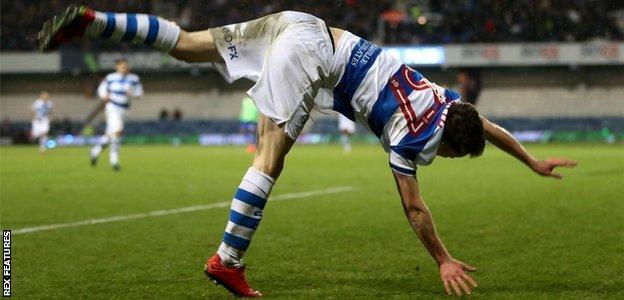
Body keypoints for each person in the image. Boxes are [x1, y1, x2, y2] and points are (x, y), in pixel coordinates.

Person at [39, 7, 577, 297]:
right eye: (458, 156)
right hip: (313, 56)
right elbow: (414, 207)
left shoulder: (445, 100)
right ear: (452, 145)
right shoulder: (412, 138)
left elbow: (488, 127)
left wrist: (530, 160)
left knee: (186, 44)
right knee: (269, 157)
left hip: (300, 22)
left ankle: (96, 18)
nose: (455, 159)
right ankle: (226, 262)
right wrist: (441, 260)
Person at [88, 58, 143, 171]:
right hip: (112, 107)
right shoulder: (110, 77)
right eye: (122, 66)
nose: (124, 68)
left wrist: (132, 93)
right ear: (117, 67)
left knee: (111, 134)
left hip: (125, 110)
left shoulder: (134, 79)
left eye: (126, 66)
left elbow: (139, 93)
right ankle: (114, 161)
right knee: (117, 132)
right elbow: (101, 89)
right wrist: (104, 96)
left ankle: (95, 151)